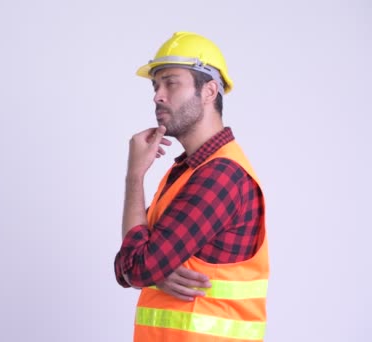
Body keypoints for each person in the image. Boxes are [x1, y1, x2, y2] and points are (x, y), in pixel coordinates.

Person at [114, 32, 269, 342]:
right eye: (155, 86)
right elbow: (129, 264)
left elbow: (136, 267)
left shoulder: (221, 175)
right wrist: (153, 269)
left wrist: (134, 177)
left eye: (171, 83)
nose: (158, 95)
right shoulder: (186, 171)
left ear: (210, 90)